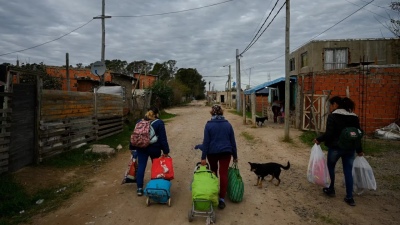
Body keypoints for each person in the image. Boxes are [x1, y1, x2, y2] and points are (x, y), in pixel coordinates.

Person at [313, 96, 364, 206]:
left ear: (336, 104)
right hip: (350, 149)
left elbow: (329, 134)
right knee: (348, 171)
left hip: (335, 148)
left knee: (331, 168)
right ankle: (349, 197)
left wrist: (318, 139)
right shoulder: (354, 117)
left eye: (332, 104)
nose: (331, 107)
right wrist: (359, 150)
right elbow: (356, 135)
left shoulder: (333, 116)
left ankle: (331, 189)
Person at [195, 105, 238, 210]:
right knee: (223, 174)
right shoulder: (228, 125)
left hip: (212, 153)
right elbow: (233, 142)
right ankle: (222, 199)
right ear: (222, 113)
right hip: (226, 152)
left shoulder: (209, 125)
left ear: (212, 113)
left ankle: (213, 194)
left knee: (213, 172)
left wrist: (203, 158)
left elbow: (206, 143)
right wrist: (235, 156)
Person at [130, 106, 170, 196]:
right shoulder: (159, 123)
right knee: (156, 166)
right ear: (156, 114)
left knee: (141, 166)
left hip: (141, 148)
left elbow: (134, 135)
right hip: (154, 148)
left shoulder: (139, 122)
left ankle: (139, 189)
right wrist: (166, 151)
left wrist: (132, 147)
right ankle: (155, 186)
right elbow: (163, 139)